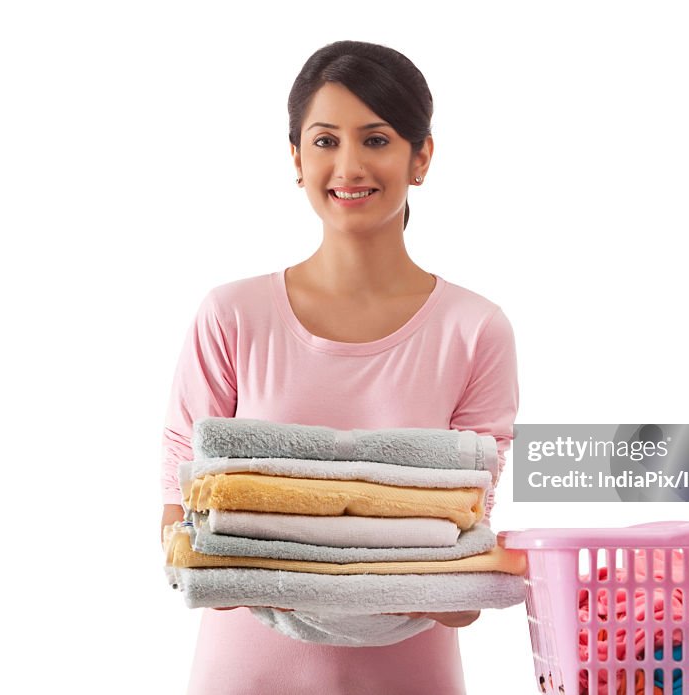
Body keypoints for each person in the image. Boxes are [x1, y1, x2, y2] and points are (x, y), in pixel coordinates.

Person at [160, 40, 518, 695]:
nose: (348, 165)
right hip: (244, 677)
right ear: (296, 158)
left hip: (410, 679)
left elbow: (470, 543)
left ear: (422, 157)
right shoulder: (232, 315)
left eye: (376, 139)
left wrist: (463, 575)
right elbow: (179, 516)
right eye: (325, 141)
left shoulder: (474, 329)